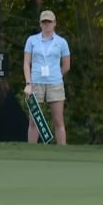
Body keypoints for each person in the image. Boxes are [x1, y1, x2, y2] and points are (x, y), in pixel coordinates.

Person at [23, 10, 71, 145]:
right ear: (40, 24)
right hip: (35, 83)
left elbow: (66, 66)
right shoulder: (32, 40)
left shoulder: (62, 42)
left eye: (49, 22)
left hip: (55, 83)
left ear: (54, 23)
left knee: (58, 120)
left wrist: (55, 75)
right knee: (34, 121)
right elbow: (26, 63)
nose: (47, 25)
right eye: (44, 22)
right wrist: (28, 83)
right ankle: (31, 153)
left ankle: (62, 152)